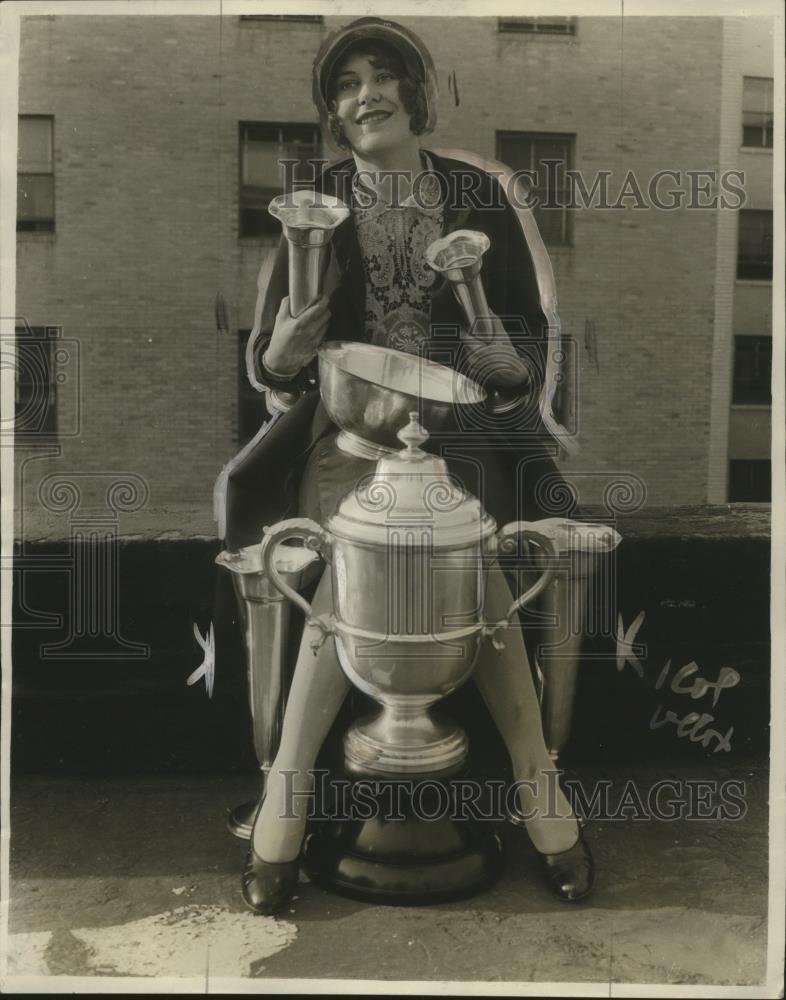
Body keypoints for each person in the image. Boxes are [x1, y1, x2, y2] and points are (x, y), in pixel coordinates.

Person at [231, 17, 592, 915]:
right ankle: (286, 799)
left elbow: (527, 351)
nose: (364, 97)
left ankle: (536, 786)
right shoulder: (315, 195)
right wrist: (283, 347)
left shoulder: (478, 191)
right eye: (344, 86)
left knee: (475, 563)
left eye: (381, 76)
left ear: (418, 92)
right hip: (348, 440)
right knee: (347, 557)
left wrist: (508, 361)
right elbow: (270, 367)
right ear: (332, 112)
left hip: (465, 440)